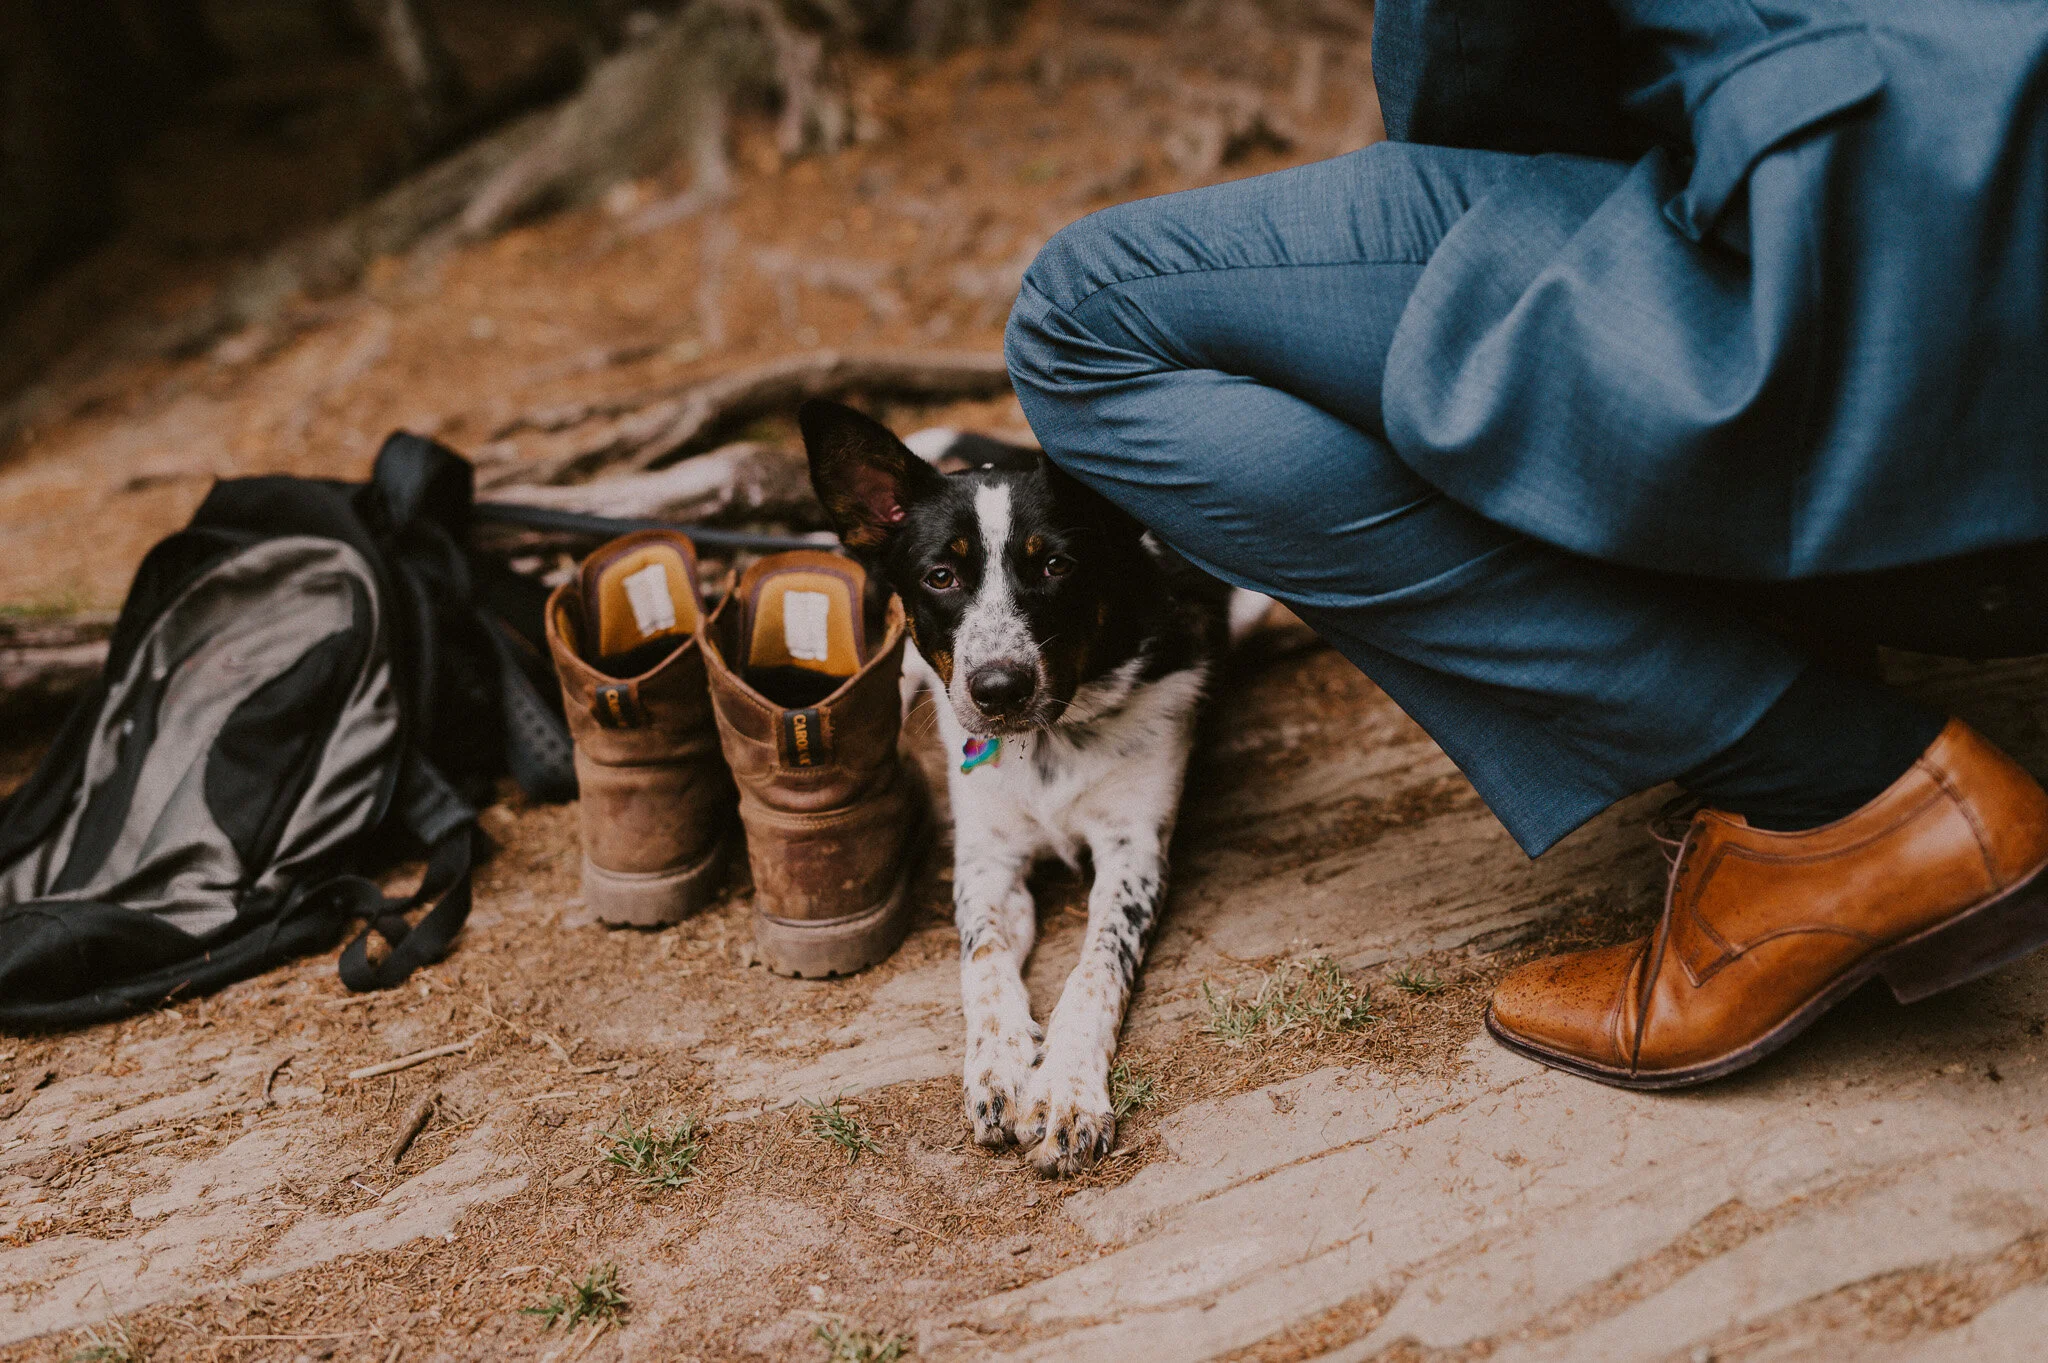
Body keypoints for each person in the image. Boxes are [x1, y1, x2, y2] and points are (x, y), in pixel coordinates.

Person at [1002, 0, 2048, 1090]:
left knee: (1083, 318)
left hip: (1878, 270)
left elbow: (1476, 66)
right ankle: (1782, 618)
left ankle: (1828, 788)